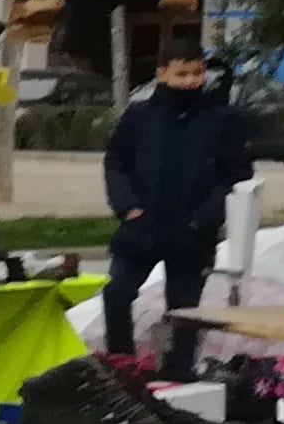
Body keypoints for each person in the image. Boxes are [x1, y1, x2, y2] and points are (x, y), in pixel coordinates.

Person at [99, 43, 253, 380]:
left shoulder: (221, 119)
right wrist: (128, 207)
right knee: (117, 292)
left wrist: (207, 217)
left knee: (184, 311)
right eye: (181, 73)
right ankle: (121, 366)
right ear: (162, 73)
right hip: (142, 226)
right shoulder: (139, 115)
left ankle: (178, 373)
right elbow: (116, 162)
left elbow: (237, 174)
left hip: (192, 232)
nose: (190, 81)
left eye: (197, 73)